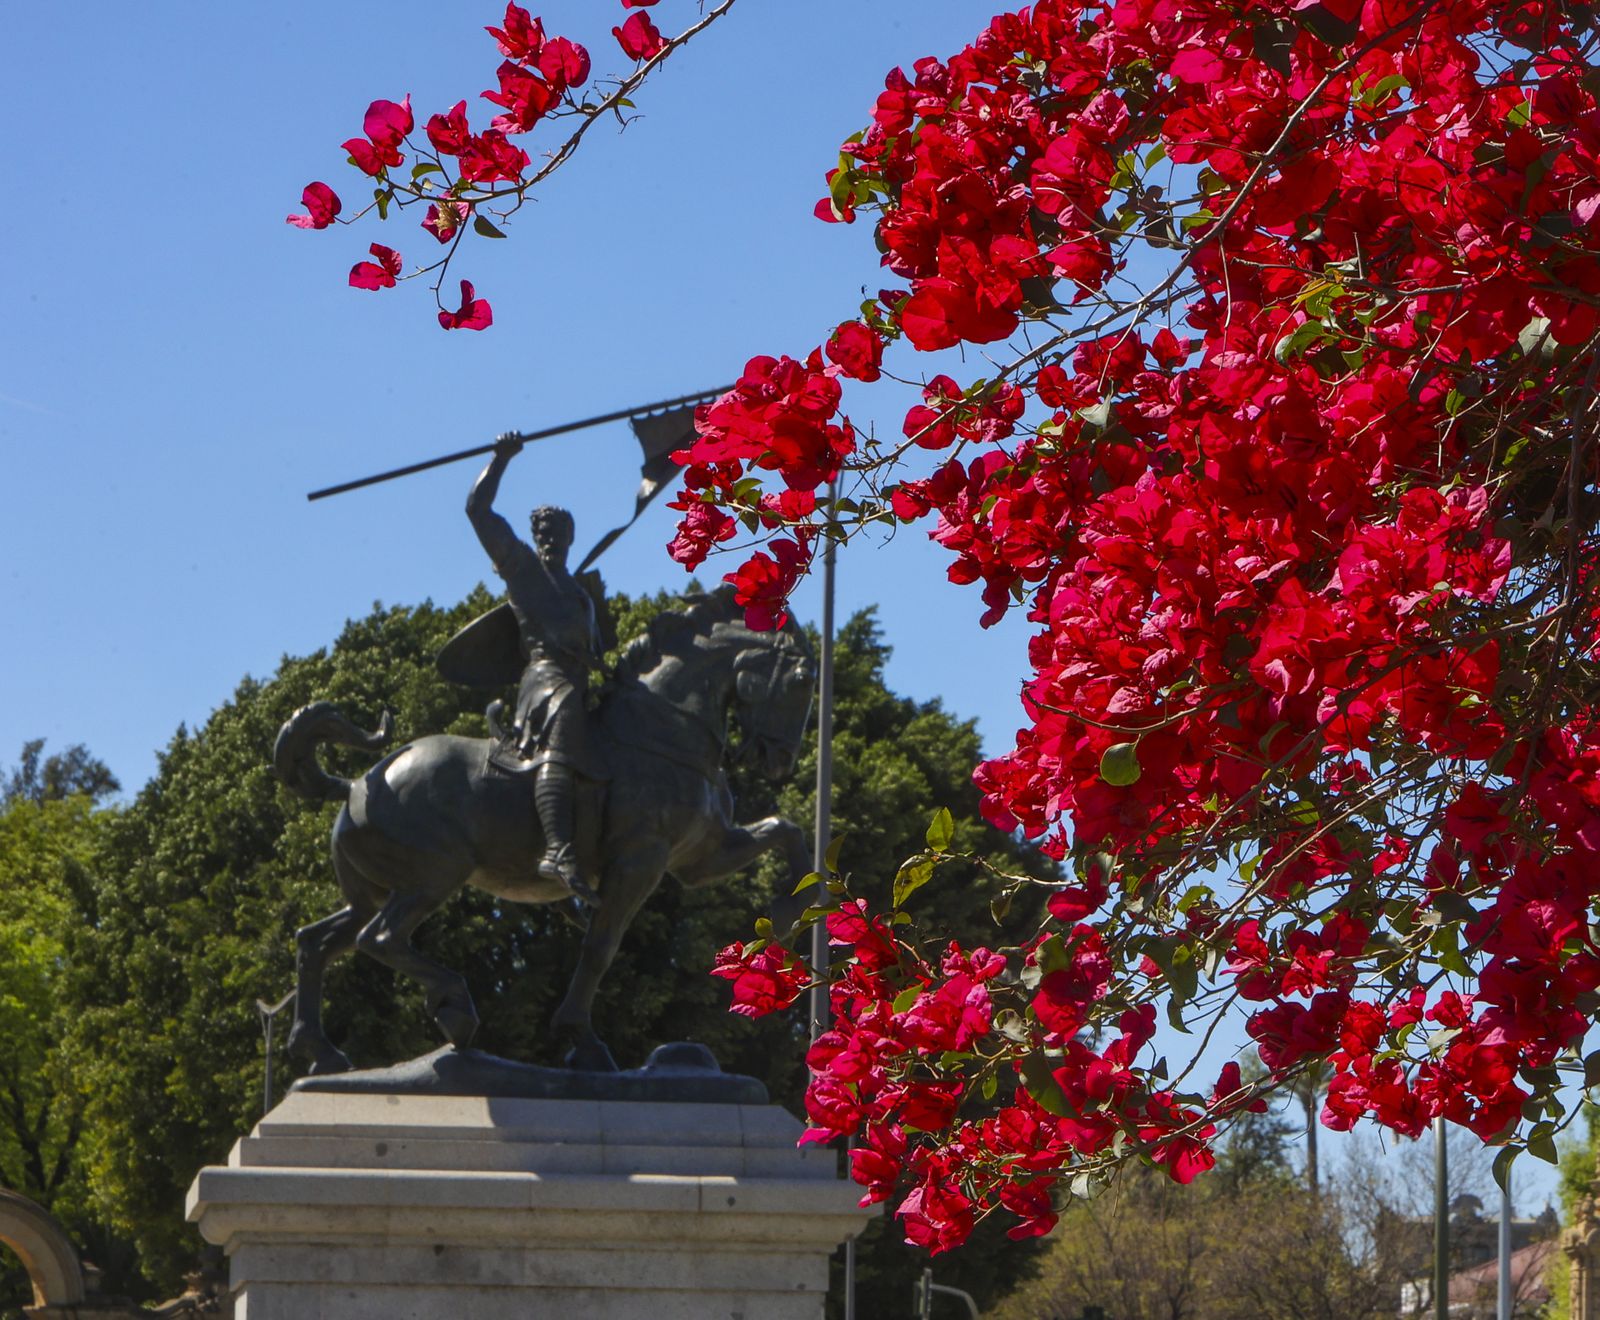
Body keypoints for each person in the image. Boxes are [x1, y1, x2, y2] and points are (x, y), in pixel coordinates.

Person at [466, 435, 601, 906]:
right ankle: (557, 850)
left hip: (583, 683)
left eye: (556, 533)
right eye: (541, 531)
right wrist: (500, 460)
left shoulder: (581, 596)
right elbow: (478, 511)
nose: (548, 539)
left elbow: (599, 653)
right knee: (564, 719)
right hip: (546, 682)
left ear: (569, 538)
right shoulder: (522, 568)